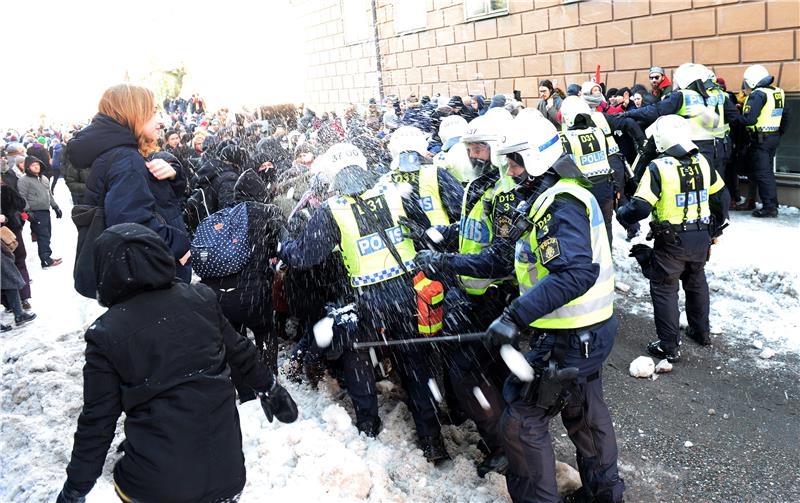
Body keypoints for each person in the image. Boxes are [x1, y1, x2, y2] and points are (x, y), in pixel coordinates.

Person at [55, 223, 297, 503]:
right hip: (227, 476)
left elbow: (98, 421)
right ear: (161, 256)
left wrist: (75, 488)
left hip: (156, 489)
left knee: (131, 475)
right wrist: (270, 388)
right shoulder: (200, 299)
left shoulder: (106, 334)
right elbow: (241, 351)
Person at [279, 143, 449, 462]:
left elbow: (305, 255)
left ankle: (368, 427)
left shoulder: (333, 209)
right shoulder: (393, 191)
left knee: (357, 357)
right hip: (407, 291)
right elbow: (427, 230)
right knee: (415, 363)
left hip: (367, 299)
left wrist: (284, 247)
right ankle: (432, 439)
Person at [485, 114, 625, 503]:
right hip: (591, 329)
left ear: (534, 160)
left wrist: (514, 317)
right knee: (585, 410)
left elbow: (576, 272)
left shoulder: (558, 204)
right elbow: (519, 262)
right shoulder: (567, 193)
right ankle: (605, 494)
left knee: (523, 420)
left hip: (570, 333)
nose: (510, 172)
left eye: (514, 162)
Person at [616, 115, 729, 362]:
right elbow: (722, 197)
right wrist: (716, 228)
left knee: (665, 288)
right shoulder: (702, 161)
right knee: (696, 280)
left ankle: (669, 346)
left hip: (671, 241)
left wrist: (623, 213)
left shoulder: (659, 167)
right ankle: (701, 332)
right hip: (700, 236)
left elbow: (642, 207)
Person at [68, 83, 192, 281]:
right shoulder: (126, 158)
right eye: (153, 113)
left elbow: (155, 200)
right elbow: (133, 225)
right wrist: (179, 246)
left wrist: (173, 174)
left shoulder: (120, 153)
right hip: (155, 271)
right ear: (135, 113)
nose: (159, 121)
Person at [622, 63, 738, 184]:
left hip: (692, 148)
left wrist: (628, 113)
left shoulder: (682, 95)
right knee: (716, 186)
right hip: (717, 147)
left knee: (694, 184)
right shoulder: (714, 95)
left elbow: (654, 111)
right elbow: (734, 118)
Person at [558, 97, 615, 244]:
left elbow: (566, 166)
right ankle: (607, 258)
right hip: (606, 186)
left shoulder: (565, 137)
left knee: (585, 228)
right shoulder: (599, 132)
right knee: (606, 225)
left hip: (583, 189)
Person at [381, 126, 463, 227]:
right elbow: (460, 209)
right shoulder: (436, 172)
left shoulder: (384, 181)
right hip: (441, 238)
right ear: (423, 146)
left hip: (406, 242)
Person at [737, 64, 789, 218]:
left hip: (760, 140)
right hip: (772, 137)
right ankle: (770, 203)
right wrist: (779, 133)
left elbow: (749, 119)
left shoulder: (758, 94)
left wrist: (733, 114)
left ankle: (770, 207)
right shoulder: (777, 92)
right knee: (766, 173)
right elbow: (786, 115)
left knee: (763, 174)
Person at [16, 156, 63, 268]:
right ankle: (46, 260)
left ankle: (47, 256)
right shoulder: (24, 180)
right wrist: (27, 212)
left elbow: (49, 194)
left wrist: (55, 206)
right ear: (28, 167)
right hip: (35, 212)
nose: (36, 166)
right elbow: (22, 197)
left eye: (37, 164)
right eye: (33, 165)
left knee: (47, 234)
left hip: (45, 211)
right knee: (43, 236)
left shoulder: (44, 179)